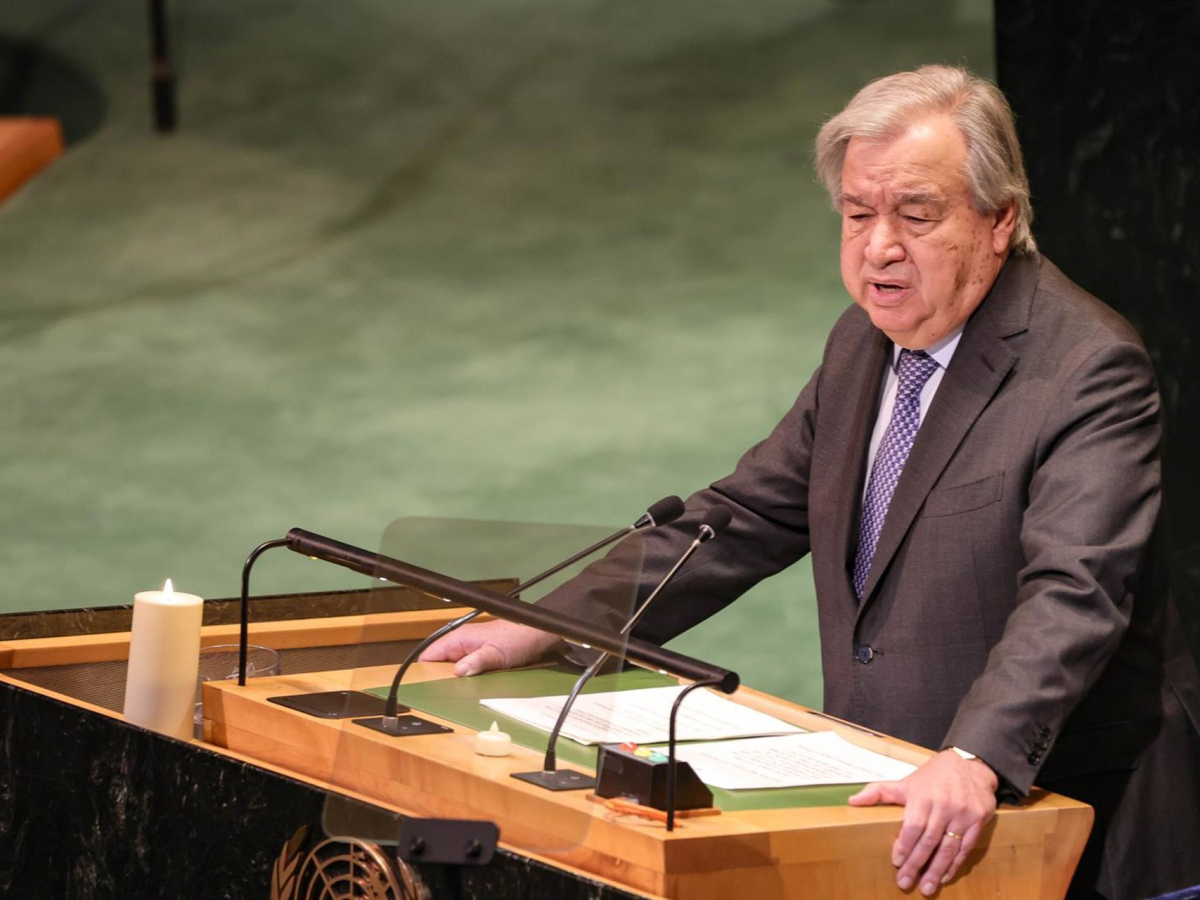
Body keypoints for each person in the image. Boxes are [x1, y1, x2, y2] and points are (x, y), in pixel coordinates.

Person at [422, 66, 1200, 900]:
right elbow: (744, 516)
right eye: (858, 214)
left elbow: (1074, 594)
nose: (879, 247)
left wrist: (974, 754)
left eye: (917, 216)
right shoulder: (862, 343)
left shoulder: (1085, 368)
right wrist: (550, 621)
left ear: (999, 219)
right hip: (893, 804)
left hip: (1070, 821)